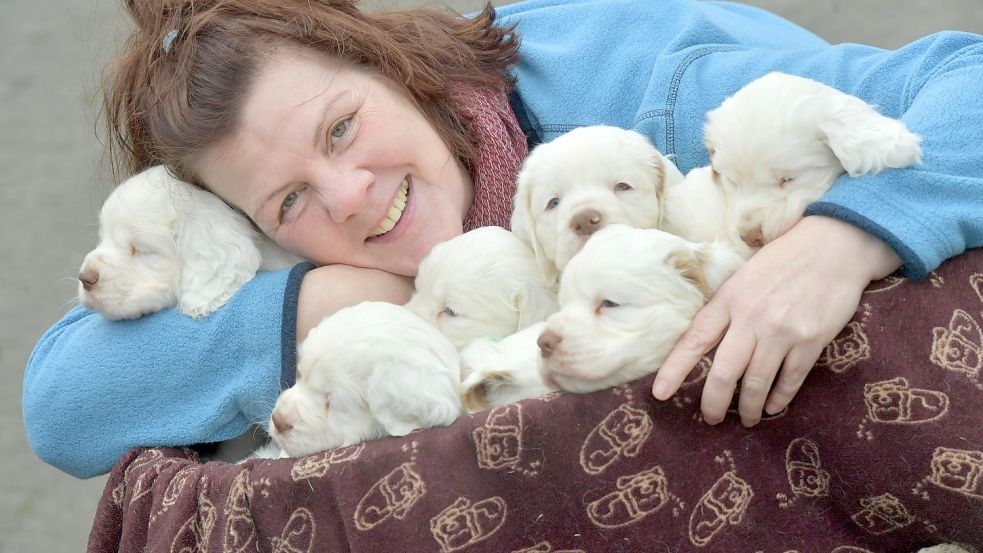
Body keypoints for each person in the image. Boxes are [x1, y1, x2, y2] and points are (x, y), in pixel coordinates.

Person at [23, 0, 983, 479]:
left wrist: (843, 236)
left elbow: (966, 78)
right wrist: (318, 301)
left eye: (342, 128)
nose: (350, 199)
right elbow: (62, 406)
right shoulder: (310, 257)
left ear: (386, 63)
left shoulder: (639, 100)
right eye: (288, 202)